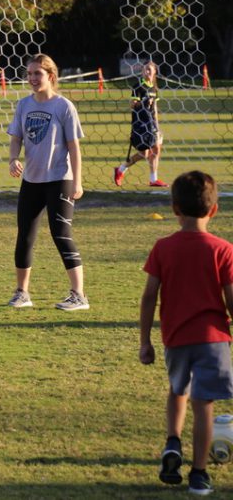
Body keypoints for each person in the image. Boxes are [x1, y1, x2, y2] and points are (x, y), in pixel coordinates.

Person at [139, 170, 233, 495]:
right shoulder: (223, 250)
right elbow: (231, 299)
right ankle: (199, 473)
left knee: (178, 389)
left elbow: (149, 295)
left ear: (175, 209)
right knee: (203, 403)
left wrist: (145, 342)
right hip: (213, 339)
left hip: (175, 338)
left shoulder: (163, 248)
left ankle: (173, 442)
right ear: (214, 210)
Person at [6, 53, 89, 312]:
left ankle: (79, 295)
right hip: (31, 180)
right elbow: (16, 137)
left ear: (51, 76)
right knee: (25, 237)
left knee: (61, 234)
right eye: (29, 74)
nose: (32, 78)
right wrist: (12, 159)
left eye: (37, 73)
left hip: (60, 180)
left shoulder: (63, 106)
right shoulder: (23, 105)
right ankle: (22, 293)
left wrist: (77, 181)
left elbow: (74, 147)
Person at [115, 60, 167, 188]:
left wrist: (157, 127)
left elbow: (154, 108)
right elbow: (132, 105)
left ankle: (153, 179)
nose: (147, 71)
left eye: (150, 69)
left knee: (156, 149)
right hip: (140, 124)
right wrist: (144, 102)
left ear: (155, 71)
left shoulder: (154, 88)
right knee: (145, 153)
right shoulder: (138, 86)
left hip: (151, 124)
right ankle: (121, 169)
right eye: (145, 69)